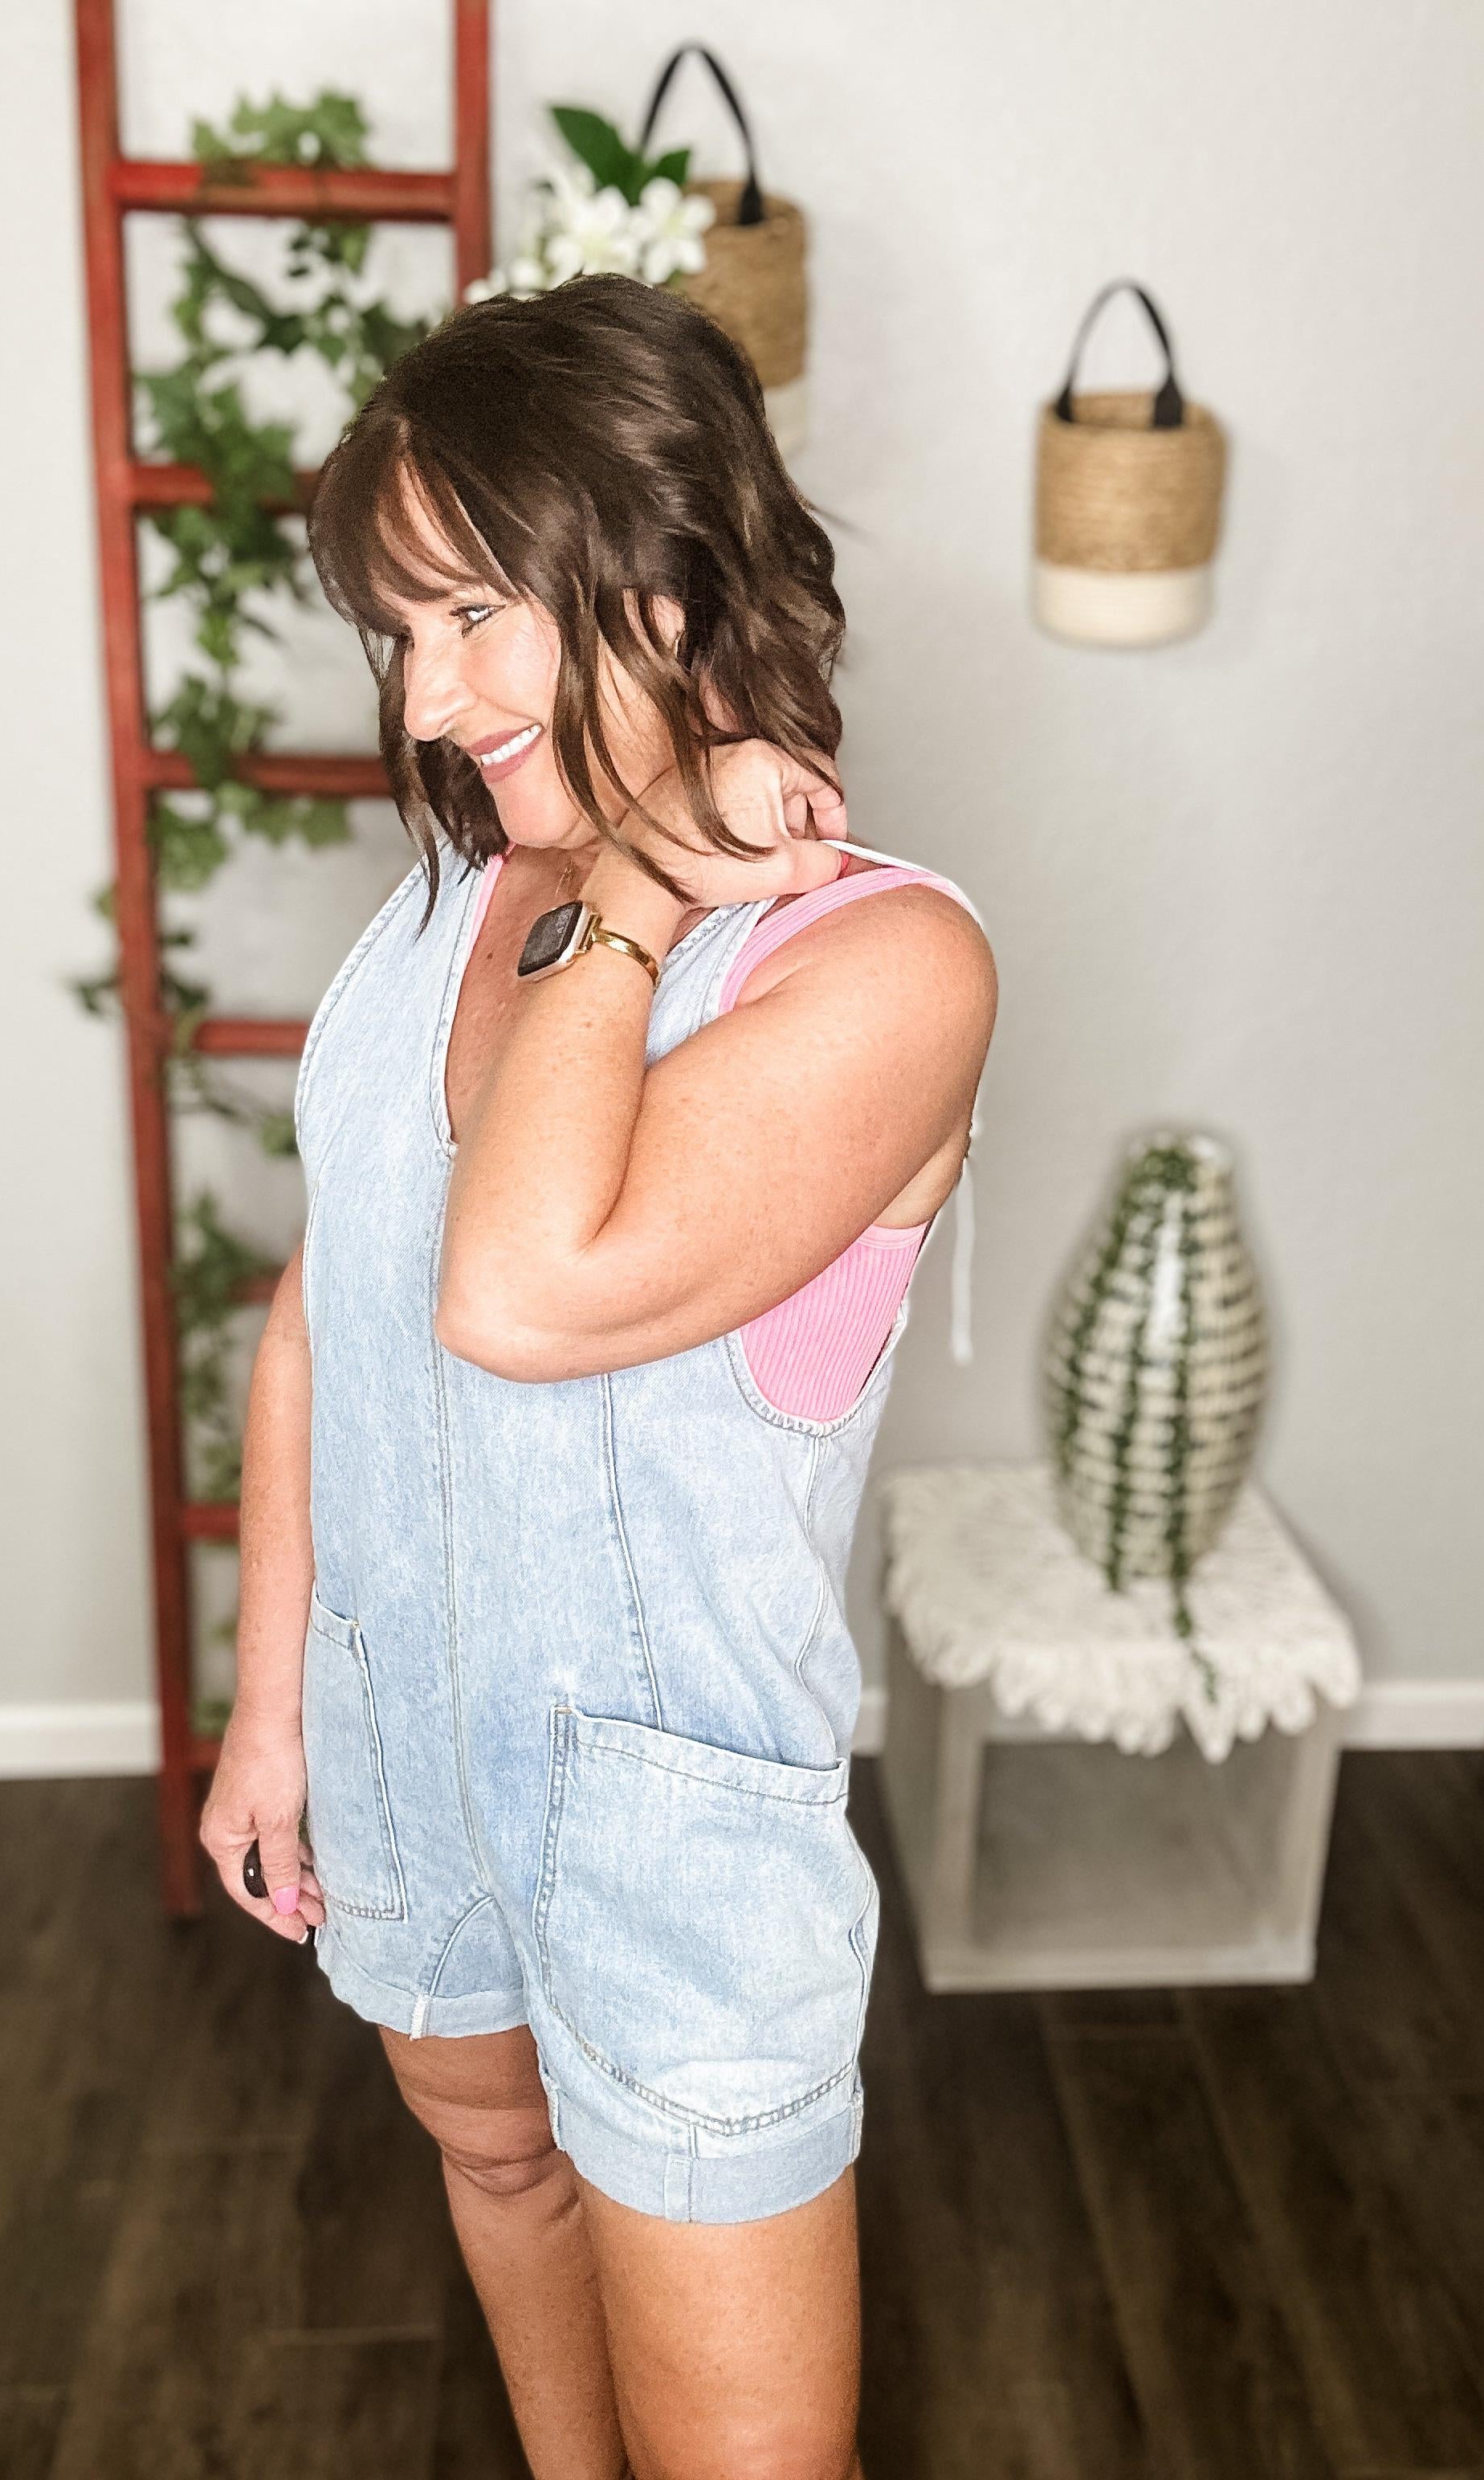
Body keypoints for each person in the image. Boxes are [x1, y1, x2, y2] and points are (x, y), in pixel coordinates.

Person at [199, 273, 997, 2479]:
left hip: (681, 1853)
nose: (427, 699)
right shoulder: (440, 912)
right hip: (403, 1758)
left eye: (470, 614)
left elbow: (524, 1295)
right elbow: (335, 1308)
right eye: (398, 634)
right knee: (497, 2166)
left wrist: (637, 879)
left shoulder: (879, 963)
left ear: (661, 572)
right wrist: (275, 1704)